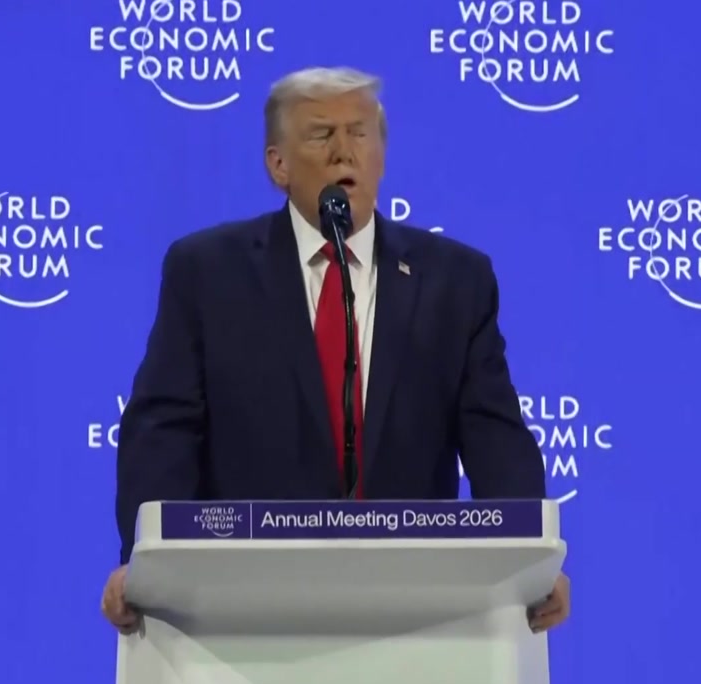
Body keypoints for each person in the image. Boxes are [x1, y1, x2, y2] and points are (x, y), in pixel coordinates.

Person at [101, 66, 570, 634]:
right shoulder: (208, 273)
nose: (344, 151)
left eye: (360, 133)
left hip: (417, 610)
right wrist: (143, 561)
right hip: (244, 608)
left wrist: (530, 562)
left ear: (381, 155)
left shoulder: (455, 281)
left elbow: (496, 438)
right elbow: (164, 431)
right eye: (322, 134)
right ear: (278, 164)